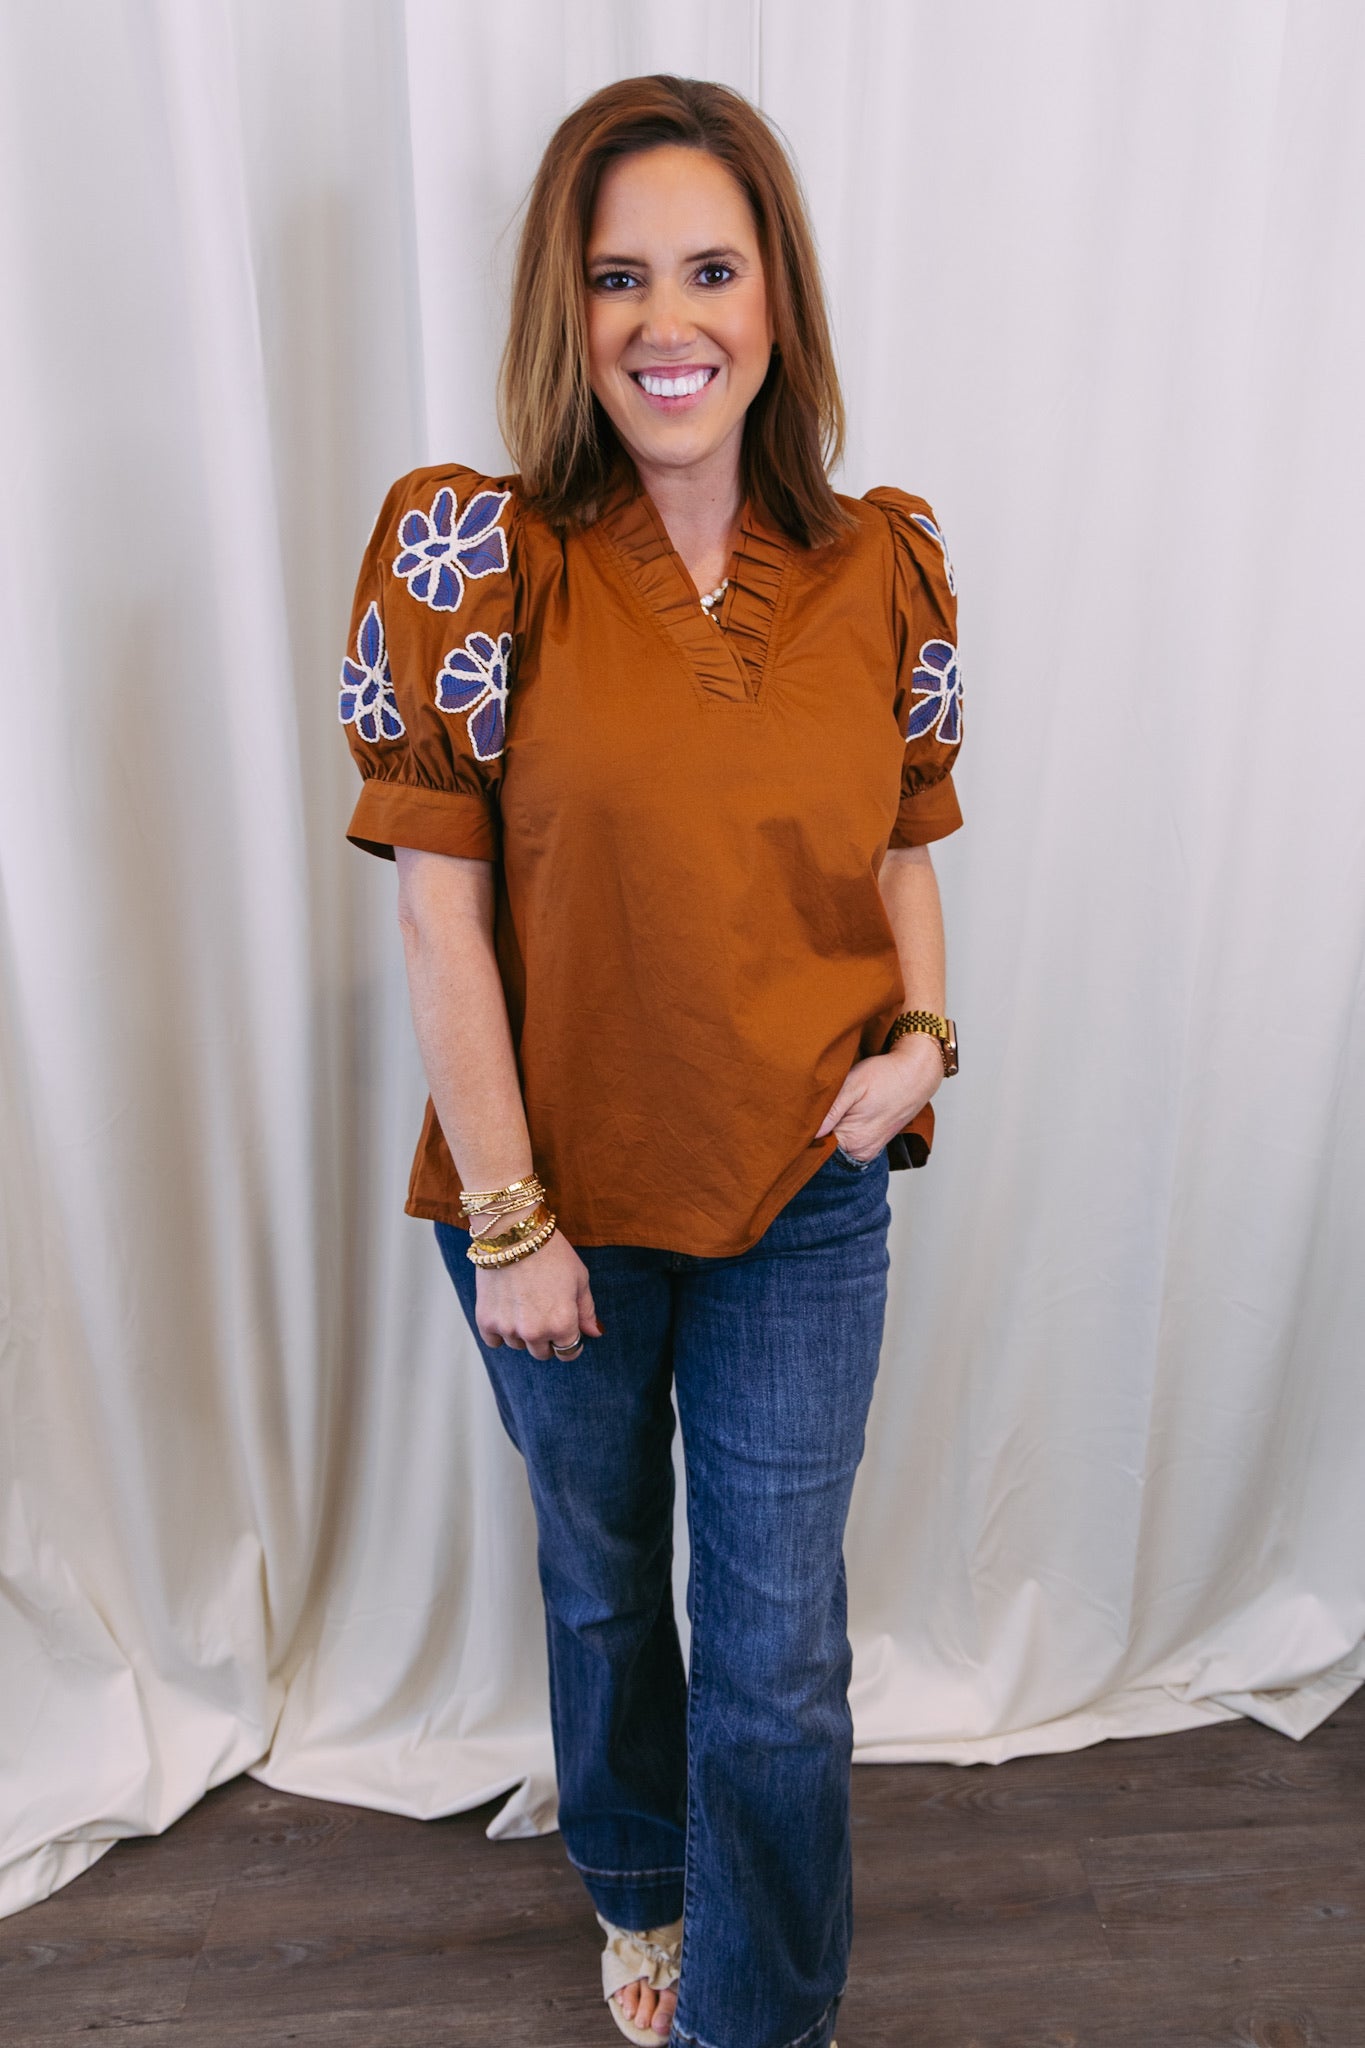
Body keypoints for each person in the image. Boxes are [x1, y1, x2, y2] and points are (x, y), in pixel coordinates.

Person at [339, 72, 962, 2048]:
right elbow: (439, 913)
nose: (663, 318)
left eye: (709, 265)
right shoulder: (469, 559)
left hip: (804, 1195)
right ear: (564, 304)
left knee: (773, 1654)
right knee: (607, 1587)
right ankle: (634, 1880)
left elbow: (896, 848)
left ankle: (755, 2019)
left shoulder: (885, 562)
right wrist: (512, 1222)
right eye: (617, 277)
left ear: (775, 294)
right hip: (556, 1213)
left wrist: (922, 1037)